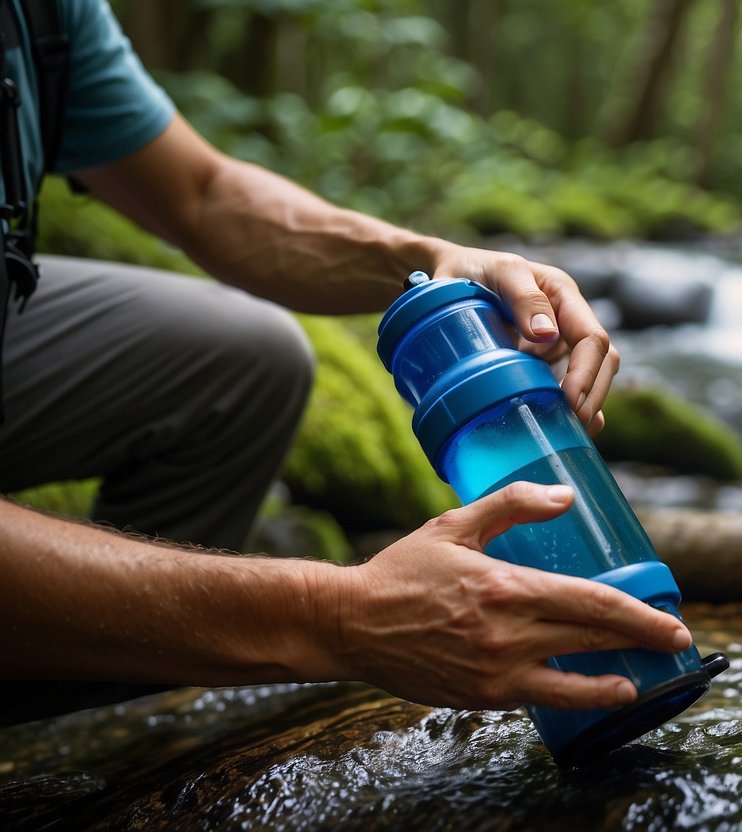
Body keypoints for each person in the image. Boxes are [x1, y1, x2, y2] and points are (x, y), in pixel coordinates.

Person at [0, 1, 691, 725]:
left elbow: (203, 195)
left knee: (249, 359)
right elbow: (337, 617)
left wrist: (434, 262)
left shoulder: (46, 12)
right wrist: (334, 617)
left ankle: (74, 709)